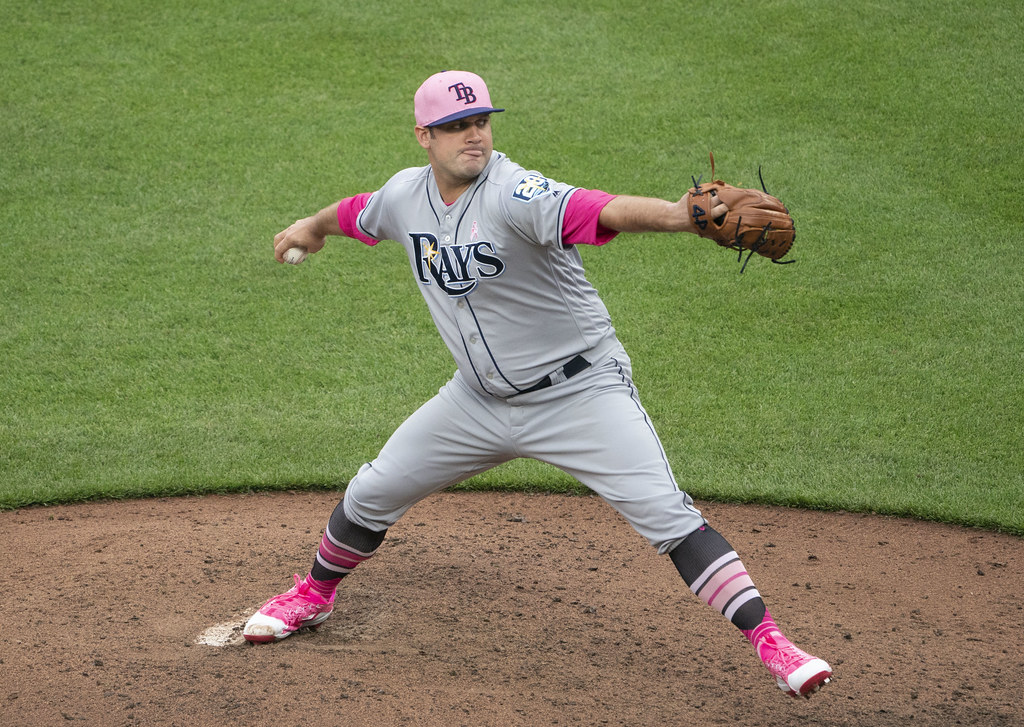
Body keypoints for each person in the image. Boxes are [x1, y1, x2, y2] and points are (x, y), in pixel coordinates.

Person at [244, 70, 832, 698]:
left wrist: (679, 218)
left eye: (480, 122)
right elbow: (357, 212)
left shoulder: (516, 191)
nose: (473, 136)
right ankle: (314, 595)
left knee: (668, 516)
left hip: (581, 395)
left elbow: (596, 208)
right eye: (455, 126)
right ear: (423, 136)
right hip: (476, 401)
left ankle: (774, 643)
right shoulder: (404, 196)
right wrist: (311, 225)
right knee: (373, 489)